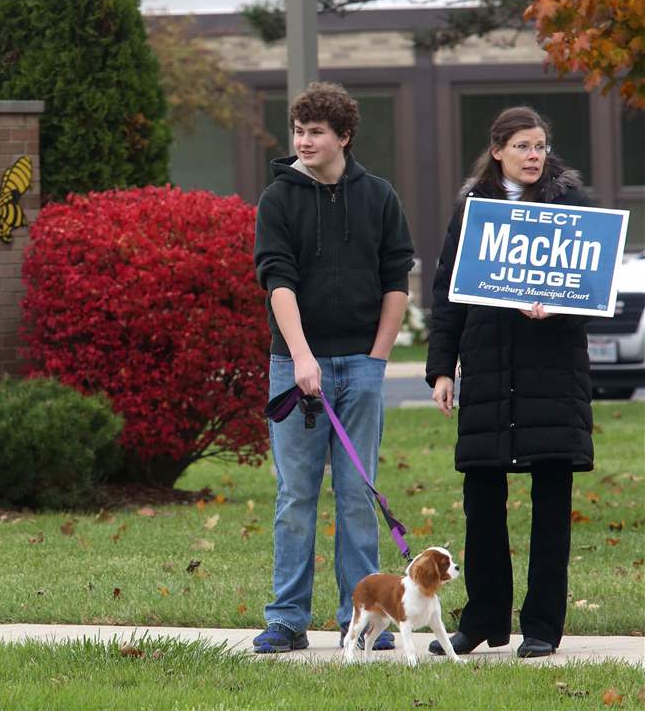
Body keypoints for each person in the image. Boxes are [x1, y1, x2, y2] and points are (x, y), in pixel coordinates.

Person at [425, 106, 594, 659]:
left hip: (553, 378)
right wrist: (441, 368)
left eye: (540, 146)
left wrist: (558, 306)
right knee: (481, 504)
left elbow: (592, 291)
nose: (533, 156)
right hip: (488, 375)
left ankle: (542, 626)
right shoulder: (472, 211)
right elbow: (448, 292)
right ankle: (482, 620)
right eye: (522, 146)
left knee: (551, 507)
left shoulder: (571, 207)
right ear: (497, 150)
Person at [253, 82, 415, 653]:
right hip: (295, 366)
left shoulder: (379, 196)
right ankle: (287, 620)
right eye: (299, 131)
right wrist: (301, 357)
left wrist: (377, 360)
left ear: (343, 136)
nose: (303, 141)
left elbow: (396, 281)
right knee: (296, 497)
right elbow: (278, 282)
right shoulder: (278, 199)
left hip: (360, 368)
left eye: (316, 132)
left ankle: (363, 619)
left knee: (356, 497)